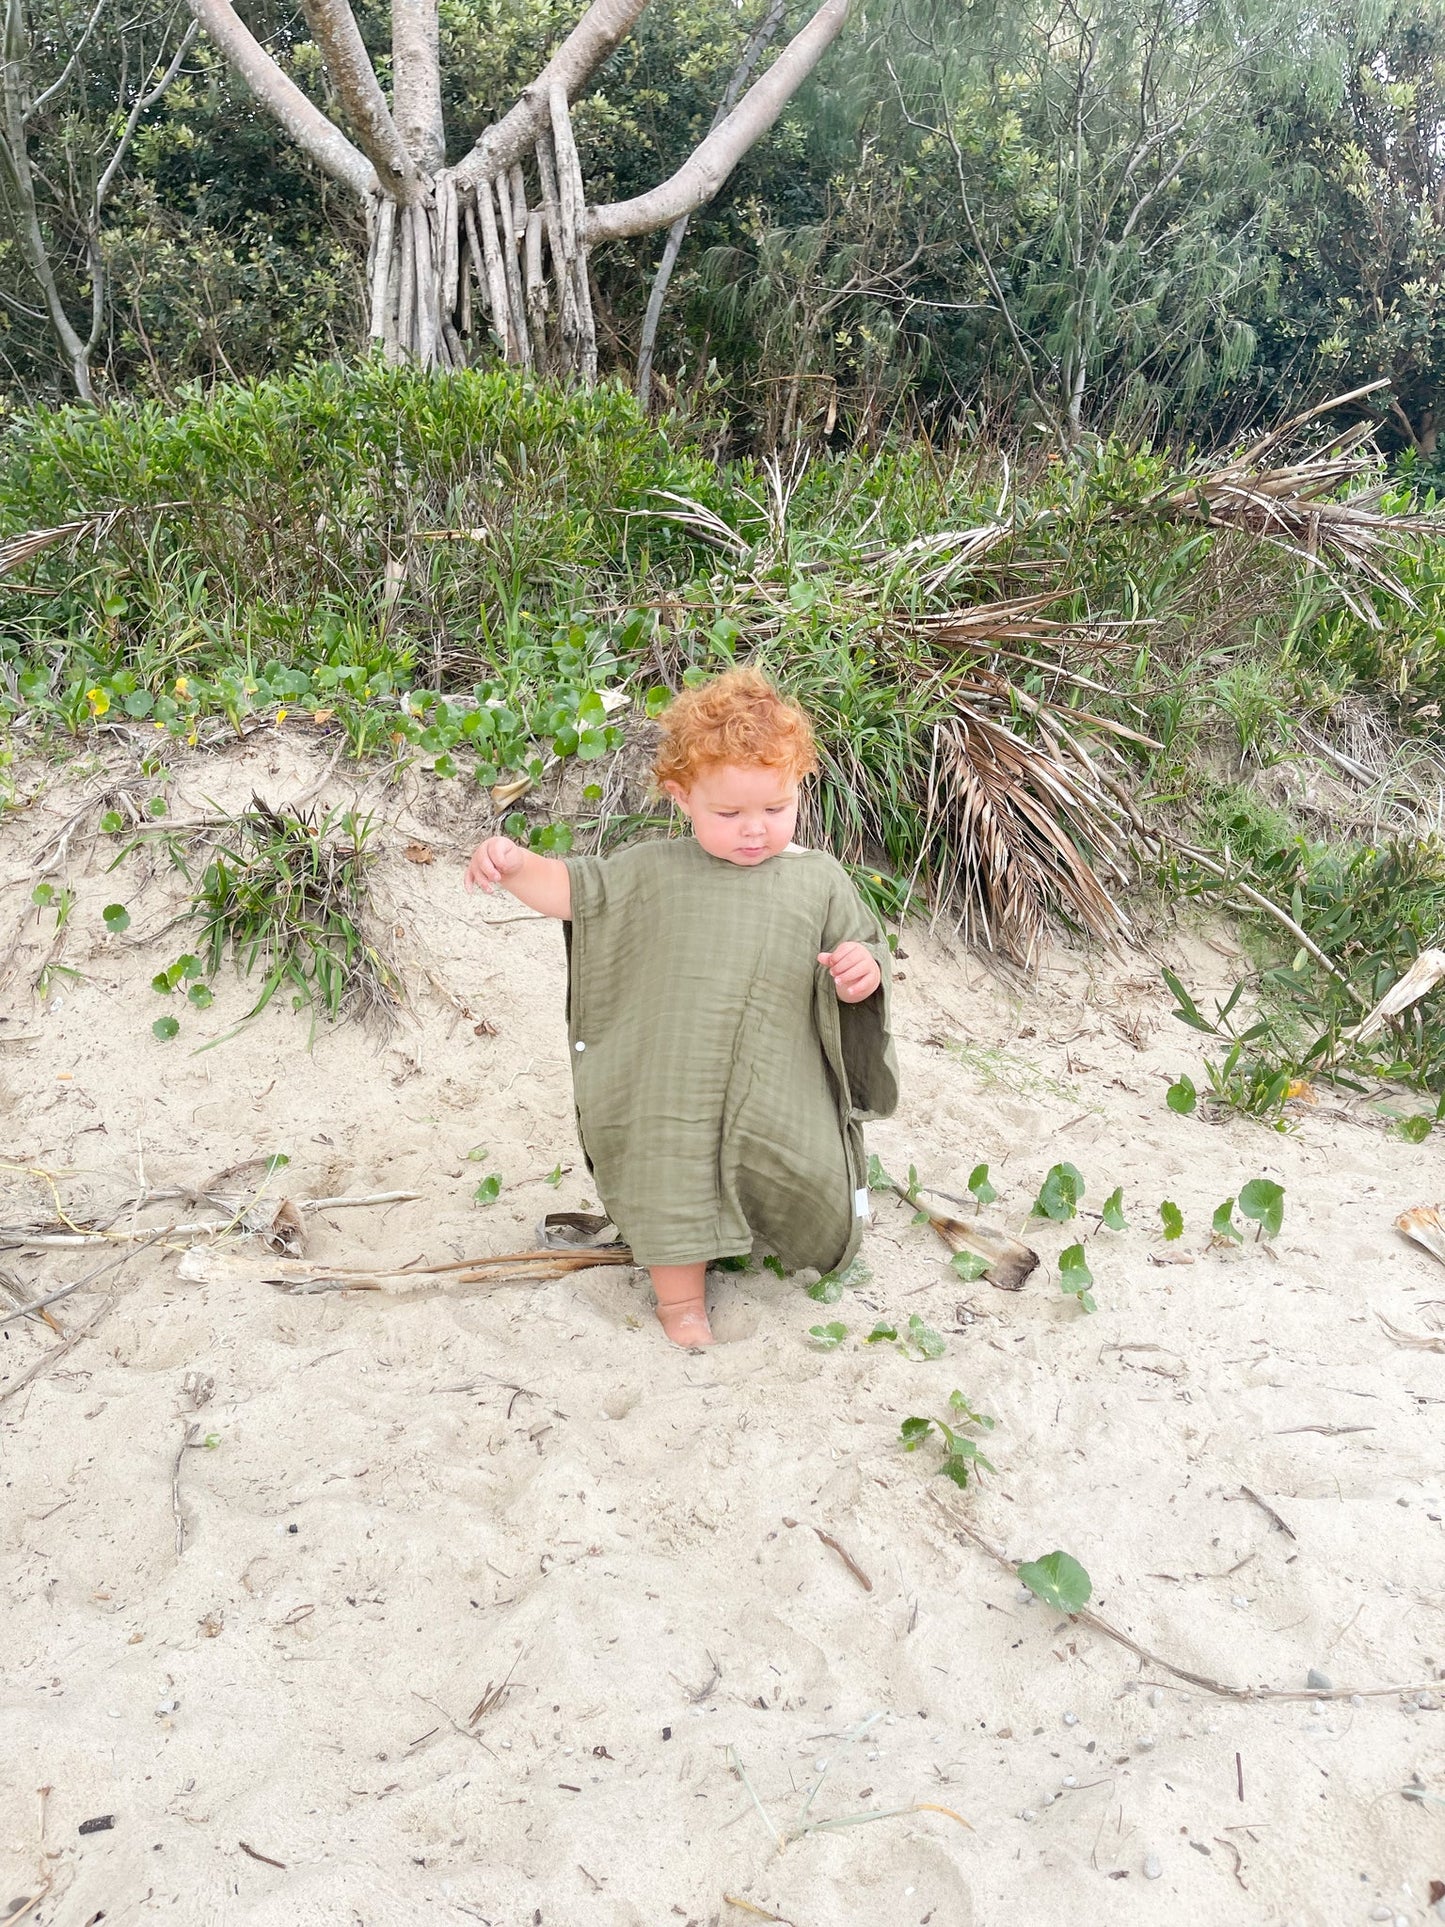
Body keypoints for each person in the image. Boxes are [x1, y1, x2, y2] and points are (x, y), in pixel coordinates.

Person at [463, 665, 898, 1347]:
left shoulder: (818, 880)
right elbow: (578, 892)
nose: (754, 829)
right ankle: (681, 1304)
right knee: (673, 1166)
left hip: (777, 1072)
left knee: (800, 1166)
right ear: (680, 795)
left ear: (799, 787)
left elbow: (865, 953)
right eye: (728, 813)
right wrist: (514, 865)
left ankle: (764, 1241)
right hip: (677, 1077)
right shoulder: (652, 869)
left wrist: (859, 973)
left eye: (775, 809)